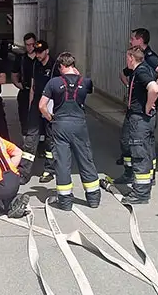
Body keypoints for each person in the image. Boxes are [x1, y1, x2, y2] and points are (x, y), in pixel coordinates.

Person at [39, 51, 100, 210]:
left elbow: (42, 106)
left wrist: (50, 118)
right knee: (85, 159)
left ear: (61, 66)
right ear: (73, 65)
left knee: (62, 162)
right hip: (79, 124)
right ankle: (93, 198)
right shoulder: (86, 82)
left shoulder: (53, 83)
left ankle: (65, 201)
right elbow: (87, 87)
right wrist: (77, 75)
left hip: (60, 125)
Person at [118, 28, 158, 183]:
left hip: (141, 111)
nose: (130, 41)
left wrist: (152, 98)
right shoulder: (137, 62)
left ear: (140, 40)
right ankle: (136, 173)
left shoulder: (149, 58)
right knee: (138, 142)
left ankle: (141, 177)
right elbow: (123, 73)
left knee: (139, 143)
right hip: (137, 108)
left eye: (133, 38)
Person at [113, 46, 158, 203]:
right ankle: (140, 184)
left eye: (127, 57)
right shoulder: (145, 69)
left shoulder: (141, 72)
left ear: (131, 58)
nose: (126, 60)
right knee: (142, 150)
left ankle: (140, 193)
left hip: (140, 118)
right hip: (139, 117)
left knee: (140, 154)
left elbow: (154, 89)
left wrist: (148, 105)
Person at [19, 39, 59, 183]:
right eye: (36, 52)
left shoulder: (55, 66)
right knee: (31, 138)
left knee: (50, 139)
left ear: (47, 51)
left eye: (40, 52)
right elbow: (33, 86)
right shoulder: (35, 64)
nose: (38, 55)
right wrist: (31, 107)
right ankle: (24, 172)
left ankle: (49, 170)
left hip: (50, 104)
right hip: (37, 103)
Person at [12, 32, 38, 136]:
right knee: (24, 118)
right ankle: (26, 139)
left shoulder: (40, 57)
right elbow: (14, 74)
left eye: (32, 44)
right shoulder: (21, 59)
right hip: (25, 92)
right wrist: (19, 85)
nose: (30, 47)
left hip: (39, 93)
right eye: (27, 45)